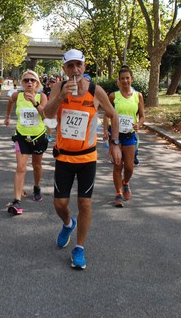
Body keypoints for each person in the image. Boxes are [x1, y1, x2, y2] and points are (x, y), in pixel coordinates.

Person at [43, 49, 122, 270]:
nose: (75, 70)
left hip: (87, 157)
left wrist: (114, 142)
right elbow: (47, 114)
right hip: (64, 157)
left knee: (84, 202)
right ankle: (68, 223)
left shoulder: (96, 91)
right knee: (60, 203)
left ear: (84, 67)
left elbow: (113, 114)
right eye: (70, 66)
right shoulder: (58, 88)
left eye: (79, 65)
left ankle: (79, 247)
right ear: (65, 69)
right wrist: (59, 97)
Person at [3, 70, 49, 215]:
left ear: (37, 83)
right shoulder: (17, 95)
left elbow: (45, 115)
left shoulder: (42, 96)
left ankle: (36, 187)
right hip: (21, 136)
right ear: (22, 83)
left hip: (38, 137)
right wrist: (7, 116)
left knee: (36, 164)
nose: (29, 83)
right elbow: (10, 102)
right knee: (21, 167)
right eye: (26, 80)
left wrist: (35, 103)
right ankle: (16, 201)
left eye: (32, 80)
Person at [103, 65, 145, 208]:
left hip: (130, 135)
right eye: (122, 78)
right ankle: (118, 193)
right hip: (116, 135)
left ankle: (125, 182)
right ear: (119, 81)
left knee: (129, 167)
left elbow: (143, 115)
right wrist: (105, 131)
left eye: (127, 78)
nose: (125, 81)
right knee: (117, 165)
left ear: (132, 79)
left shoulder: (138, 96)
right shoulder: (114, 96)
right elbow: (106, 115)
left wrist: (139, 124)